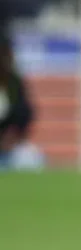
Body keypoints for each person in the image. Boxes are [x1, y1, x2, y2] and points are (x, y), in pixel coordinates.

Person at [0, 27, 36, 169]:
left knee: (32, 159)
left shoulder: (14, 82)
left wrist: (13, 135)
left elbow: (25, 111)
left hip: (9, 148)